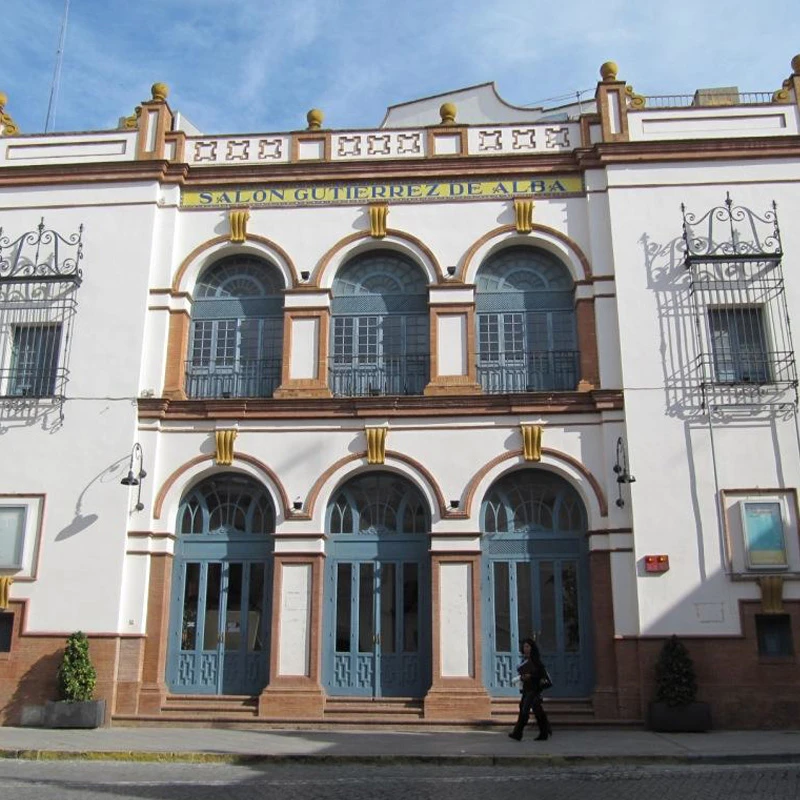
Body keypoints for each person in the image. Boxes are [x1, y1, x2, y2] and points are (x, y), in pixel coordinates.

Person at [508, 637, 551, 741]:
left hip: (534, 689)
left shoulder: (535, 660)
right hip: (527, 688)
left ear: (532, 648)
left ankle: (518, 733)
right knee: (536, 710)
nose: (525, 648)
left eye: (528, 646)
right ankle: (545, 731)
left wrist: (531, 676)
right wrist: (523, 677)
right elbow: (523, 673)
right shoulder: (525, 660)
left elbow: (541, 674)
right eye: (524, 646)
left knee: (525, 710)